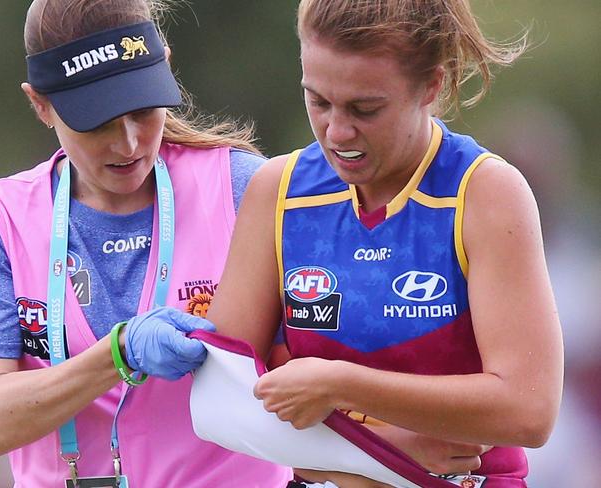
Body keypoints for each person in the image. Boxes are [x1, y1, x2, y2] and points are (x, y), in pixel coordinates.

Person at [146, 0, 564, 487]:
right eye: (318, 101)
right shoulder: (278, 191)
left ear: (431, 84)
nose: (337, 132)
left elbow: (529, 410)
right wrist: (385, 449)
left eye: (366, 109)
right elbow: (220, 407)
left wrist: (339, 385)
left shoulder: (486, 194)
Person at [0, 0, 293, 486]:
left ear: (166, 67)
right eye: (97, 122)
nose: (129, 144)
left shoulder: (243, 190)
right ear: (40, 104)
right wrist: (120, 352)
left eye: (142, 110)